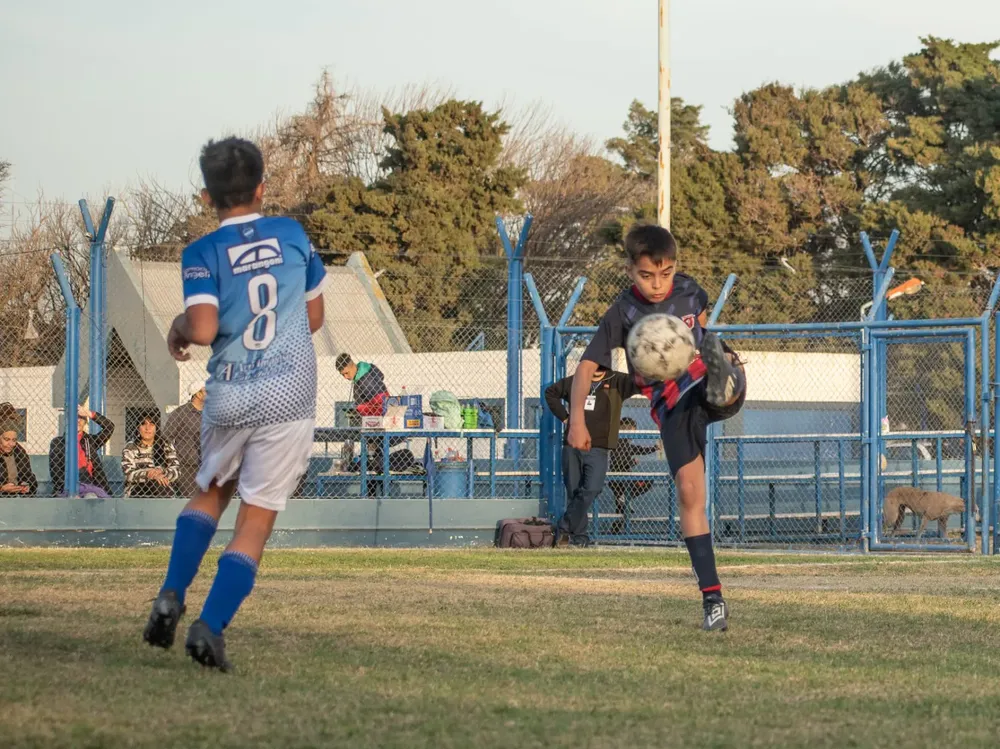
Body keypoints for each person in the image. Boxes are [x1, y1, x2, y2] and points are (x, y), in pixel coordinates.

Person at [142, 137, 327, 672]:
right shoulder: (292, 234)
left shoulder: (201, 253)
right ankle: (210, 626)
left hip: (230, 393)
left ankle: (171, 593)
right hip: (288, 395)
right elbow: (313, 320)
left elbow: (200, 329)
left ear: (206, 197)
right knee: (254, 523)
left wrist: (178, 326)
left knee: (210, 491)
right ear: (263, 187)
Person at [568, 224, 746, 632]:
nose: (656, 283)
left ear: (675, 268)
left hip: (701, 379)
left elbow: (698, 319)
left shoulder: (690, 291)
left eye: (665, 274)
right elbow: (586, 367)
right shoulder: (623, 313)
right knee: (689, 492)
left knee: (720, 383)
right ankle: (712, 599)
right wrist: (577, 419)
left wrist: (705, 344)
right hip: (670, 404)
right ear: (630, 269)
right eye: (646, 275)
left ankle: (724, 374)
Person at [544, 366, 640, 546]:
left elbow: (642, 382)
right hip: (572, 445)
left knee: (592, 488)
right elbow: (550, 393)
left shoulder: (618, 381)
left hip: (599, 447)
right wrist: (565, 418)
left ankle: (563, 526)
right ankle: (580, 538)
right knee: (574, 491)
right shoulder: (576, 380)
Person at [48, 405, 115, 498]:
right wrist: (71, 491)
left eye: (82, 418)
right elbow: (55, 472)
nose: (78, 421)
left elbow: (109, 427)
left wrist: (89, 414)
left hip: (91, 485)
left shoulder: (90, 441)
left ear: (85, 422)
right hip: (67, 487)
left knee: (91, 496)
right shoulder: (58, 443)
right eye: (75, 417)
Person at [607, 418, 660, 535]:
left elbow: (639, 449)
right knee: (647, 482)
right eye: (633, 430)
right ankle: (625, 498)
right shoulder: (620, 442)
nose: (634, 433)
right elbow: (619, 463)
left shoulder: (625, 443)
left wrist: (654, 448)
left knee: (622, 509)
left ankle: (615, 530)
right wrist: (632, 463)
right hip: (619, 480)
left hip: (622, 479)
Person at [122, 413, 180, 497]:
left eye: (152, 424)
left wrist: (162, 472)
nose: (147, 428)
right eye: (143, 424)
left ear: (156, 428)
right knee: (154, 484)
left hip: (162, 486)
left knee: (158, 485)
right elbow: (128, 474)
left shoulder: (165, 445)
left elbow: (176, 471)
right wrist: (149, 474)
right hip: (137, 489)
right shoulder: (130, 447)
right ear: (138, 428)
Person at [165, 381, 206, 497]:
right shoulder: (180, 413)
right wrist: (171, 460)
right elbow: (166, 438)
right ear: (198, 394)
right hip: (187, 467)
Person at [0, 421, 38, 496]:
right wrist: (2, 488)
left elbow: (30, 478)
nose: (11, 444)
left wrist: (26, 486)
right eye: (6, 439)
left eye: (14, 440)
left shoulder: (20, 453)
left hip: (16, 497)